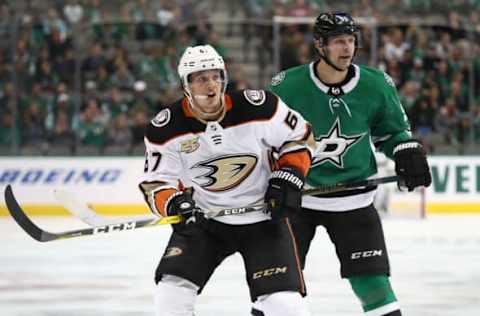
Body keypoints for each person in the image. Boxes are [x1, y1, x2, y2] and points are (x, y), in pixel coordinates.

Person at [268, 12, 432, 316]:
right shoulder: (286, 86)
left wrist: (406, 149)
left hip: (354, 201)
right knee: (276, 288)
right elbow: (264, 142)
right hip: (298, 201)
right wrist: (272, 180)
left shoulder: (376, 84)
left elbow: (392, 133)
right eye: (338, 42)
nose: (347, 48)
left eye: (351, 41)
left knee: (374, 285)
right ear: (320, 45)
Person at [139, 44, 316, 316]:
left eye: (215, 76)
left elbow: (300, 137)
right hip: (205, 223)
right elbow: (156, 183)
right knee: (170, 296)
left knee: (286, 307)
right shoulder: (166, 128)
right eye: (200, 79)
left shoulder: (260, 107)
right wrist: (175, 204)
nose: (211, 86)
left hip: (264, 218)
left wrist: (289, 174)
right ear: (186, 85)